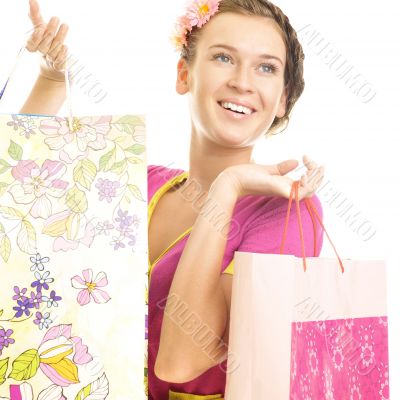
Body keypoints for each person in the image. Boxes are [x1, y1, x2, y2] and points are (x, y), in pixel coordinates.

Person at [22, 0, 325, 399]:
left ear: (283, 98)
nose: (243, 82)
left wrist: (228, 187)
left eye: (266, 67)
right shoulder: (137, 184)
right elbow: (20, 198)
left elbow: (180, 361)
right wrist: (52, 81)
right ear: (184, 74)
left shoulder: (286, 212)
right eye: (223, 58)